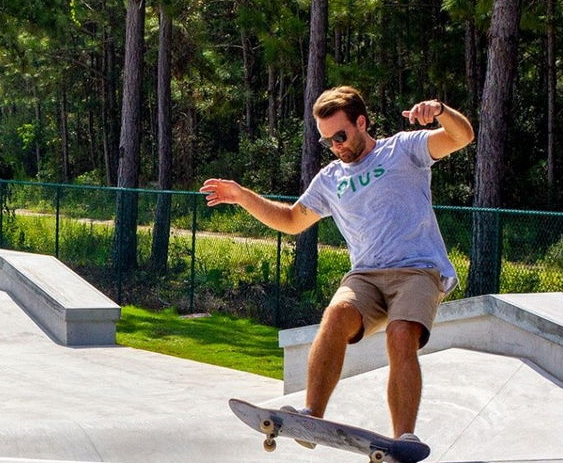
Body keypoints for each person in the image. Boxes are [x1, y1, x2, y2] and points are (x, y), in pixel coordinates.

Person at [199, 86, 474, 442]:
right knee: (335, 315)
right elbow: (291, 220)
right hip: (365, 275)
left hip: (417, 269)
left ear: (361, 123)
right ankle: (311, 416)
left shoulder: (404, 149)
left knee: (401, 333)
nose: (336, 146)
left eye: (341, 136)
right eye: (327, 141)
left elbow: (462, 136)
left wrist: (440, 110)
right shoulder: (330, 179)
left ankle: (404, 436)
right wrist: (242, 197)